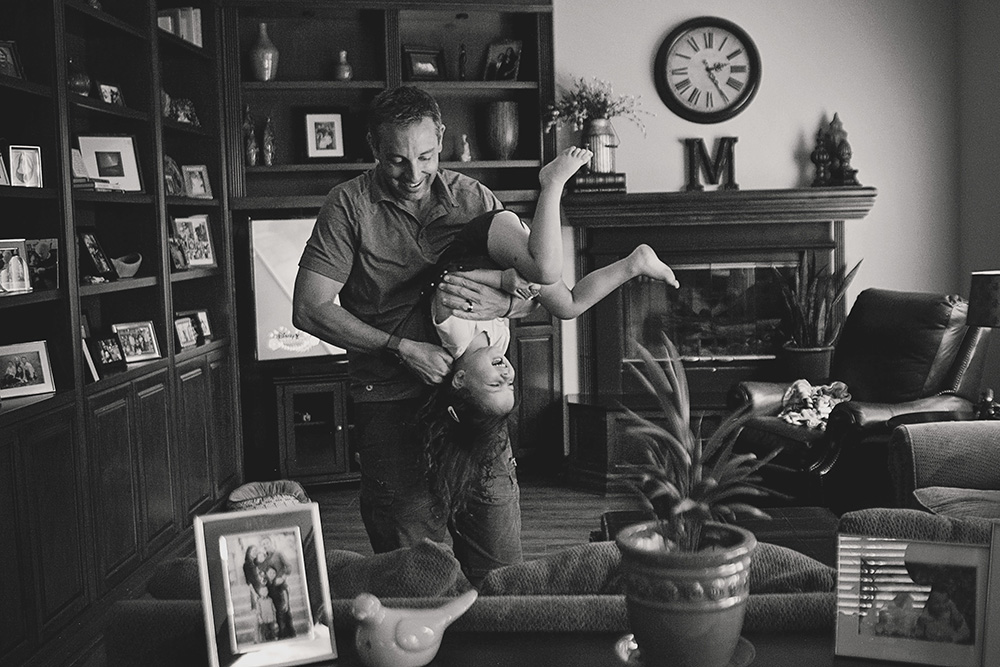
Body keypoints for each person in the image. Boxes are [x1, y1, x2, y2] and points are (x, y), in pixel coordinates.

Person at [293, 85, 530, 585]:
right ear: (373, 146)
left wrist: (508, 302)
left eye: (425, 155)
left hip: (475, 409)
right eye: (398, 160)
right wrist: (400, 347)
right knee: (416, 577)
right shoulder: (348, 206)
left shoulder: (476, 197)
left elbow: (534, 292)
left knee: (501, 573)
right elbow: (309, 310)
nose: (414, 174)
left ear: (441, 136)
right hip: (390, 404)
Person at [418, 147, 678, 513]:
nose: (507, 373)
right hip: (516, 258)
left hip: (484, 239)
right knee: (569, 306)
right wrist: (514, 289)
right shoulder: (500, 342)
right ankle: (634, 263)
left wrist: (505, 279)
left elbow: (449, 281)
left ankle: (551, 182)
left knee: (545, 271)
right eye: (508, 383)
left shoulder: (452, 334)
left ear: (459, 380)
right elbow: (527, 298)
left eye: (495, 383)